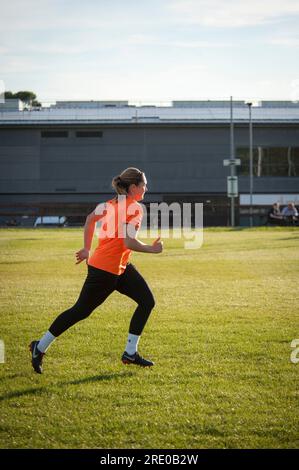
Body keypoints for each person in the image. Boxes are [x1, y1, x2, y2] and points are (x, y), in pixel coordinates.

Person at [29, 167, 163, 374]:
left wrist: (86, 248)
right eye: (144, 184)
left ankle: (130, 353)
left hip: (120, 267)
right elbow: (129, 242)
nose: (147, 187)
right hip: (104, 270)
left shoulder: (110, 204)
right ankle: (39, 347)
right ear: (134, 187)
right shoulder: (135, 208)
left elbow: (90, 220)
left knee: (147, 301)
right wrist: (152, 249)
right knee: (80, 311)